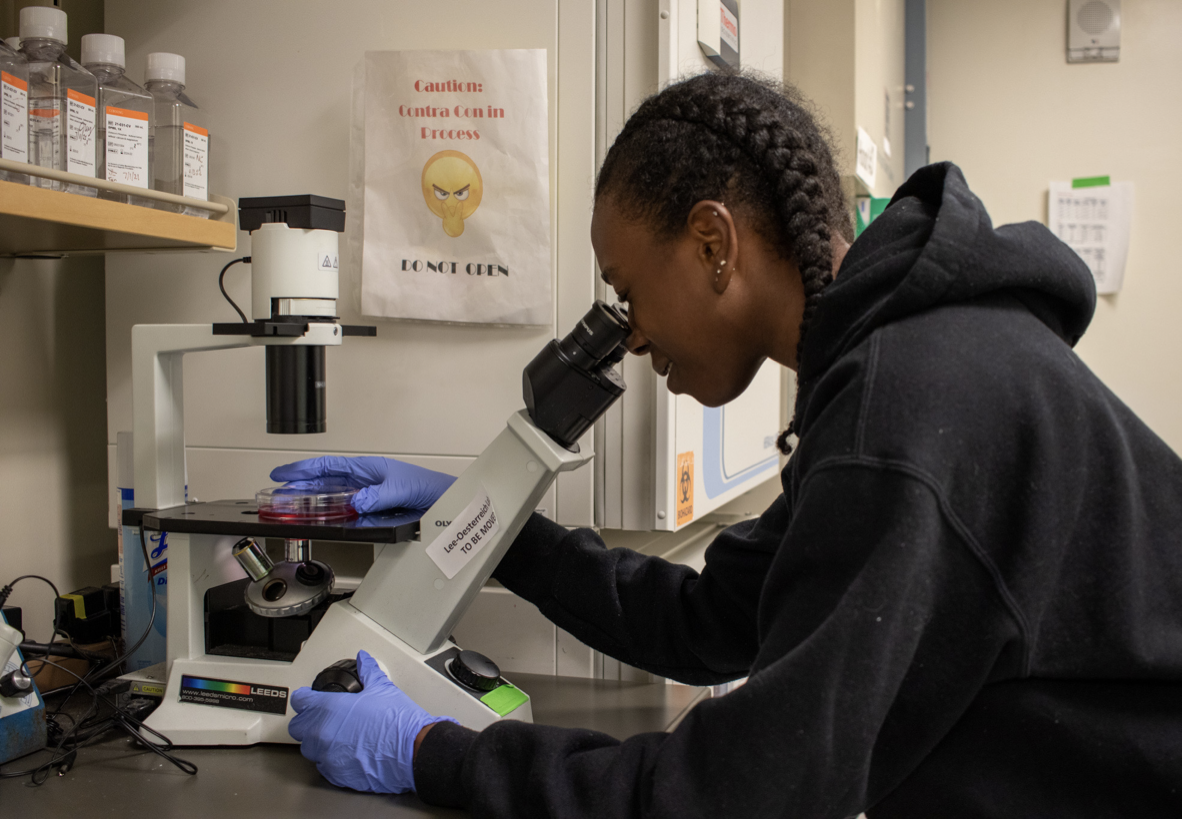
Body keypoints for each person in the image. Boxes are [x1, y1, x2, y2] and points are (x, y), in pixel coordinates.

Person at [275, 72, 1182, 817]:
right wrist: (479, 520)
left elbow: (737, 797)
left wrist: (434, 753)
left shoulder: (906, 413)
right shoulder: (902, 370)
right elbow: (715, 622)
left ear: (713, 242)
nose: (629, 336)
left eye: (629, 289)